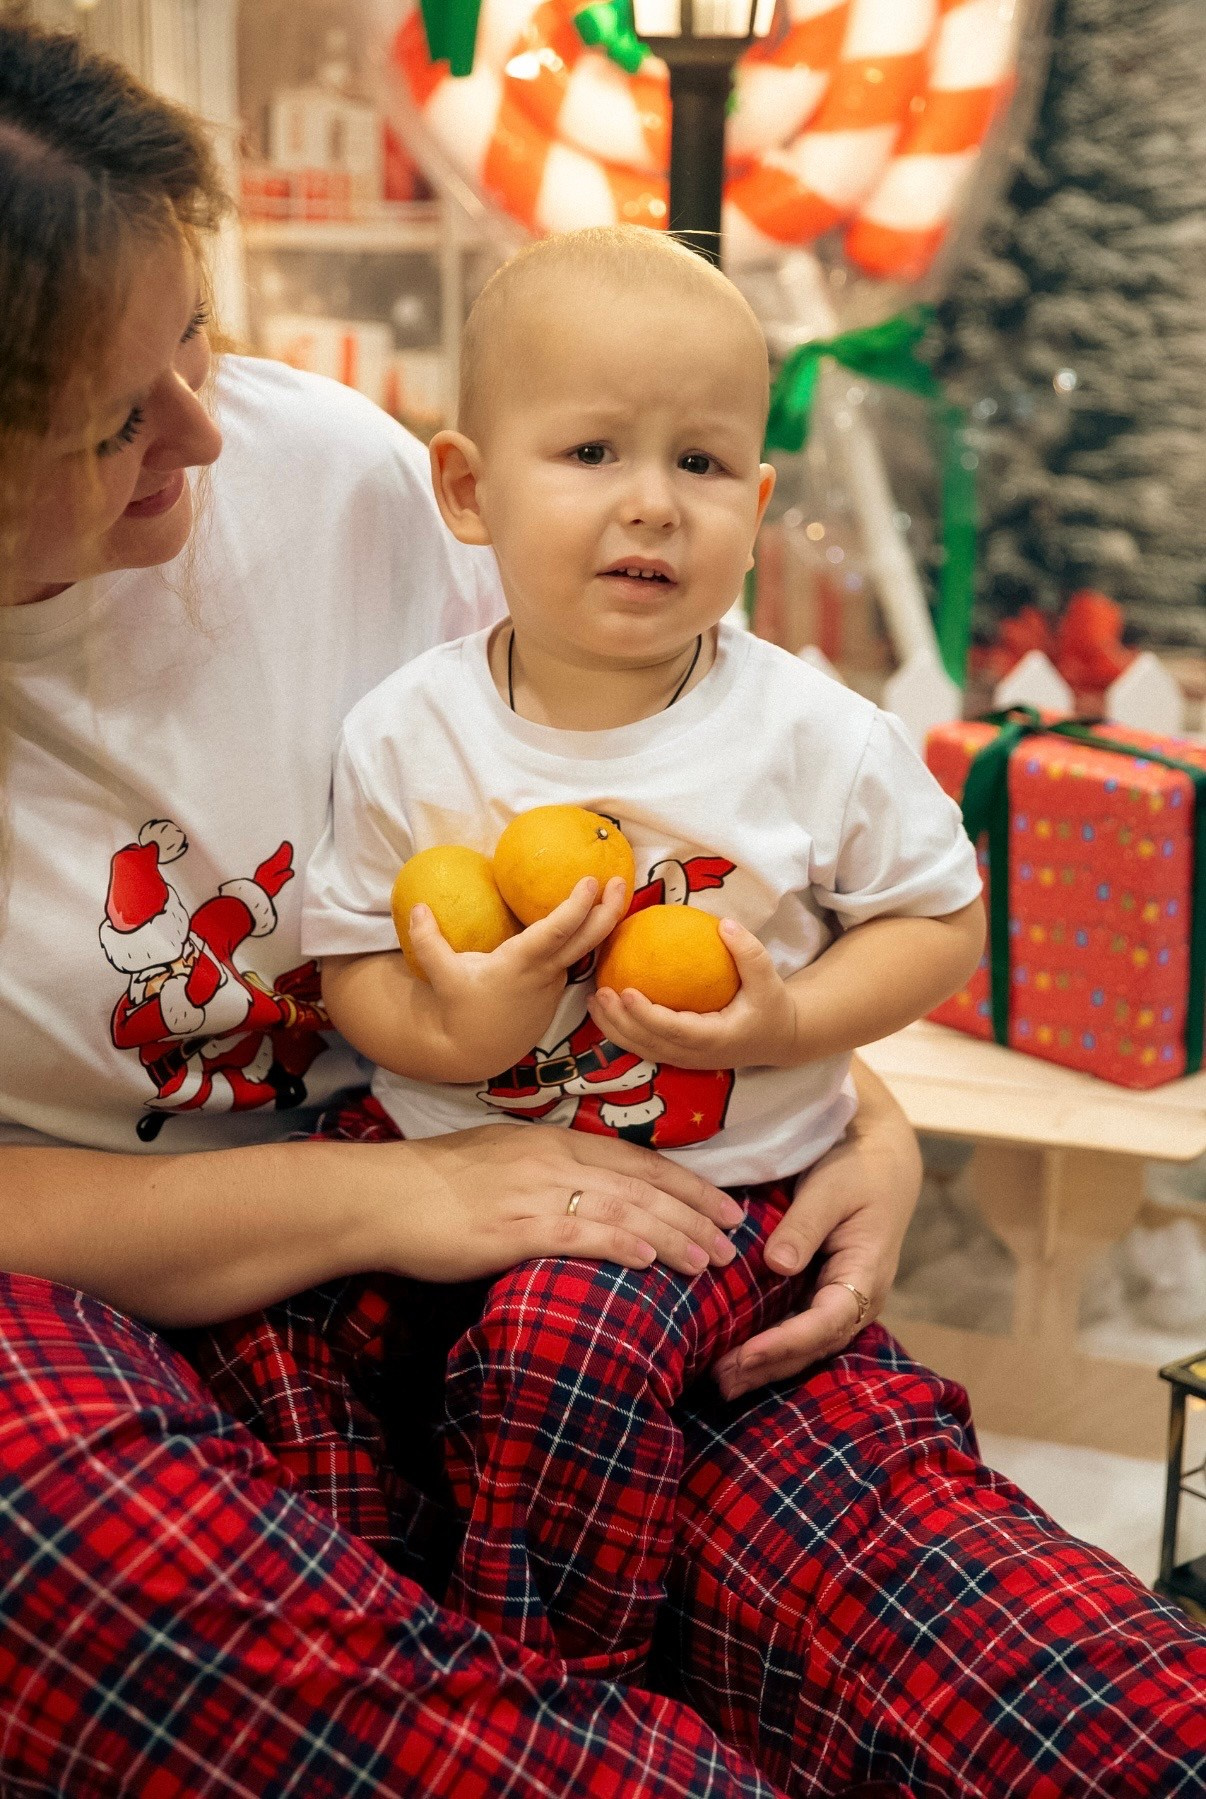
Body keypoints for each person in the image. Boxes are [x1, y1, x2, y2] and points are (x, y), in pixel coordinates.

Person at [0, 17, 1202, 1798]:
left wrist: (819, 1086)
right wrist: (399, 1196)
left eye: (199, 336)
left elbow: (639, 809)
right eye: (117, 418)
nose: (202, 428)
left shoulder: (330, 475)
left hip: (553, 1192)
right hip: (118, 1295)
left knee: (1004, 1659)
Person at [301, 226, 986, 1675]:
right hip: (432, 1156)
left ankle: (554, 1684)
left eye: (699, 464)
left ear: (758, 500)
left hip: (695, 1192)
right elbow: (355, 962)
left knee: (563, 1345)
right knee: (299, 1352)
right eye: (594, 452)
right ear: (468, 491)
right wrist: (461, 1037)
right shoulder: (405, 733)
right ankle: (401, 1603)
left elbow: (939, 920)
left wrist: (787, 1021)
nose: (653, 507)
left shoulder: (813, 736)